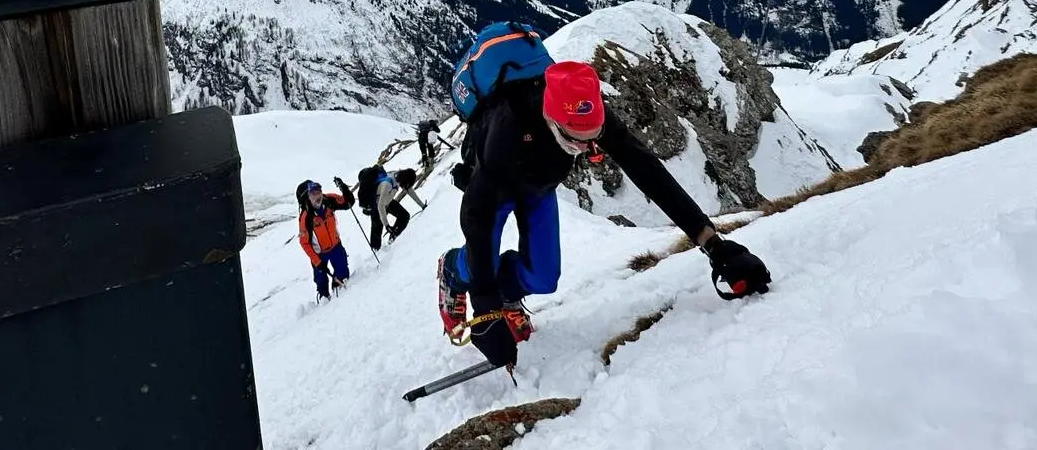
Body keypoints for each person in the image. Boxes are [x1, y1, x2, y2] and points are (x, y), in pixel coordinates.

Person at [437, 59, 772, 369]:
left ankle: (507, 292)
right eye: (576, 141)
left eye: (593, 139)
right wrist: (484, 307)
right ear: (551, 119)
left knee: (543, 277)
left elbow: (646, 170)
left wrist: (712, 243)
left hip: (538, 187)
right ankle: (453, 270)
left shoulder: (588, 113)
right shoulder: (508, 126)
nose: (587, 149)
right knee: (482, 257)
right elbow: (477, 216)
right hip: (494, 192)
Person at [297, 177, 355, 300]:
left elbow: (348, 202)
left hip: (335, 246)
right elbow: (304, 242)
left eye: (319, 192)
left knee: (342, 272)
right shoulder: (306, 217)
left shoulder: (329, 200)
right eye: (313, 194)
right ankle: (324, 300)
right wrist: (317, 262)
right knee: (321, 281)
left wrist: (343, 187)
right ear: (308, 196)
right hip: (319, 254)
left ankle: (339, 290)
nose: (317, 196)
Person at [365, 166, 427, 250]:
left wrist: (422, 205)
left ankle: (393, 237)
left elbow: (410, 191)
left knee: (404, 216)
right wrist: (387, 225)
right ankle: (375, 253)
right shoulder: (388, 184)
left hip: (388, 201)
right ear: (405, 181)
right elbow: (380, 206)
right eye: (407, 185)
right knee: (377, 229)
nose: (407, 187)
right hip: (377, 205)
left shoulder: (399, 178)